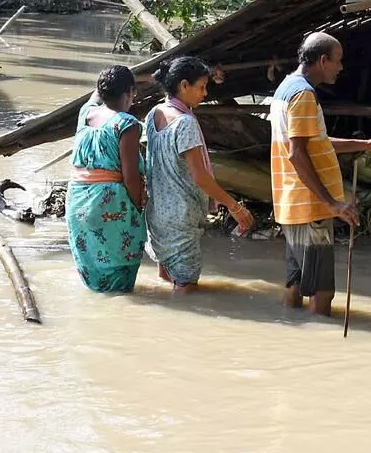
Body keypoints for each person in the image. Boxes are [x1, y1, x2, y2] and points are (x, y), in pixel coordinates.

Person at [271, 32, 371, 316]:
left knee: (295, 283)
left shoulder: (286, 88)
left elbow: (316, 143)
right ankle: (320, 347)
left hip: (293, 202)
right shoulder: (303, 94)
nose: (341, 69)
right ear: (323, 60)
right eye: (337, 62)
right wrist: (332, 204)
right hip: (311, 205)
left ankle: (290, 336)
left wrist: (366, 144)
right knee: (322, 290)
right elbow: (297, 153)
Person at [144, 56, 254, 294]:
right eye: (201, 87)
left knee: (165, 279)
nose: (205, 93)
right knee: (186, 290)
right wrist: (235, 207)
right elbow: (200, 177)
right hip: (182, 217)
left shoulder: (154, 114)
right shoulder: (185, 123)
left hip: (156, 214)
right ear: (184, 86)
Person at [67, 65, 146, 292]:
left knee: (92, 265)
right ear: (129, 91)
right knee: (120, 269)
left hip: (78, 200)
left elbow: (96, 93)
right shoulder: (127, 124)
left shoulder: (86, 113)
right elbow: (130, 177)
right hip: (110, 202)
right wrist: (138, 207)